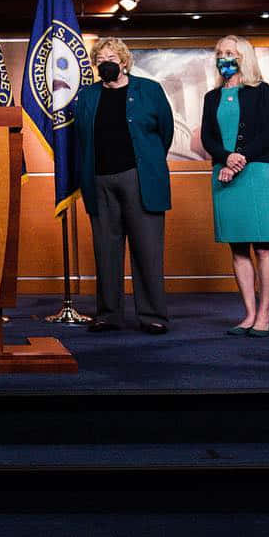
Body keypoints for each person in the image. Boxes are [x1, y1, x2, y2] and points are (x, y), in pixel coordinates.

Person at [72, 37, 175, 334]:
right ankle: (108, 314)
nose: (106, 63)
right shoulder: (88, 95)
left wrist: (148, 162)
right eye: (100, 59)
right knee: (106, 251)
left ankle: (153, 315)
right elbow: (81, 137)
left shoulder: (149, 90)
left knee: (147, 250)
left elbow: (165, 132)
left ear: (124, 62)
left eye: (112, 59)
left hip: (139, 178)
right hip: (100, 181)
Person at [199, 35, 269, 337]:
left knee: (262, 247)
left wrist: (238, 160)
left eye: (230, 52)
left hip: (255, 172)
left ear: (244, 56)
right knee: (237, 248)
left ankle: (264, 314)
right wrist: (226, 158)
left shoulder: (261, 90)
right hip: (223, 173)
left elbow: (268, 133)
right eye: (220, 53)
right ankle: (248, 313)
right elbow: (207, 138)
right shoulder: (211, 97)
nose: (224, 57)